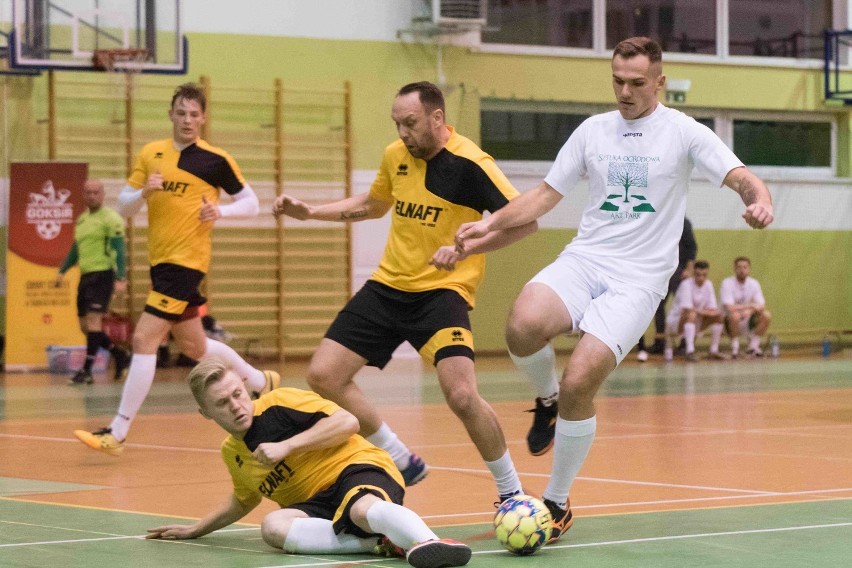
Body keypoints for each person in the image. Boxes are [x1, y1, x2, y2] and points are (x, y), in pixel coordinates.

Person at [455, 37, 773, 543]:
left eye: (636, 83)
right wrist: (488, 225)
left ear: (659, 82)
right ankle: (546, 399)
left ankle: (556, 503)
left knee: (582, 380)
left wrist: (759, 201)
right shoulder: (592, 130)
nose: (624, 92)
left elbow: (742, 177)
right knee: (521, 326)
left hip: (640, 280)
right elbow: (542, 196)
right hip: (587, 259)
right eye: (617, 81)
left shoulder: (685, 133)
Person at [273, 81, 535, 502]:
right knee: (324, 374)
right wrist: (310, 213)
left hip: (441, 292)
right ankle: (398, 455)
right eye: (397, 124)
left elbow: (524, 221)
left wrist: (469, 246)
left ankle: (512, 492)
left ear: (436, 118)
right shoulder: (397, 156)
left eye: (410, 123)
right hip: (388, 286)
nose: (402, 134)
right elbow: (374, 204)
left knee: (463, 395)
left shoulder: (472, 163)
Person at [74, 83, 280, 457]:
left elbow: (251, 203)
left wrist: (222, 211)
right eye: (181, 113)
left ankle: (117, 431)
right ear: (171, 114)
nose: (188, 120)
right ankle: (259, 380)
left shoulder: (215, 159)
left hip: (186, 264)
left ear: (203, 118)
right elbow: (124, 207)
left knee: (143, 340)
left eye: (195, 114)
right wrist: (145, 193)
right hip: (161, 262)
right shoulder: (151, 154)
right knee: (194, 345)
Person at [145, 357, 472, 568]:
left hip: (355, 469)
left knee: (360, 509)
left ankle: (427, 541)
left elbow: (348, 422)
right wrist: (195, 529)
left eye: (237, 394)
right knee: (272, 527)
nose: (236, 405)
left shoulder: (280, 403)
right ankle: (378, 542)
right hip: (316, 505)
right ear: (206, 414)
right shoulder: (233, 453)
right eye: (222, 403)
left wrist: (287, 445)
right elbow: (242, 500)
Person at [56, 179, 131, 384]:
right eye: (88, 192)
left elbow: (119, 249)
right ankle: (119, 354)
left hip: (103, 275)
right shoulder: (82, 220)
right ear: (83, 194)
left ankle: (86, 371)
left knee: (94, 321)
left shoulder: (111, 219)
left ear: (103, 194)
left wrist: (121, 277)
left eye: (96, 192)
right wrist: (62, 271)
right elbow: (76, 249)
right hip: (86, 276)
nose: (92, 196)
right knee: (84, 326)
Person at [636, 217, 696, 360]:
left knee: (685, 306)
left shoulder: (683, 221)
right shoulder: (658, 219)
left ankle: (685, 344)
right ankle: (660, 343)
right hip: (660, 270)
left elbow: (692, 247)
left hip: (679, 271)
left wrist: (689, 268)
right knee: (658, 306)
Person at [663, 260, 726, 362]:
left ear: (707, 274)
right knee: (691, 315)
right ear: (693, 273)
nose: (701, 278)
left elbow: (712, 309)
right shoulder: (685, 284)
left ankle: (714, 351)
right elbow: (687, 309)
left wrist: (709, 312)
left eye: (704, 275)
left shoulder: (708, 284)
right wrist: (706, 312)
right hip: (676, 323)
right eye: (698, 275)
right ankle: (690, 351)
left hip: (695, 321)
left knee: (719, 317)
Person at [720, 256, 772, 357]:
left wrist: (750, 311)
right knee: (734, 315)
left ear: (749, 269)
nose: (742, 270)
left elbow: (761, 305)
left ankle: (753, 347)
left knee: (766, 315)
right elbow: (729, 307)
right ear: (735, 269)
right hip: (729, 323)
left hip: (747, 320)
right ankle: (735, 349)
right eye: (739, 267)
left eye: (745, 267)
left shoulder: (754, 283)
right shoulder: (727, 283)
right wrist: (750, 306)